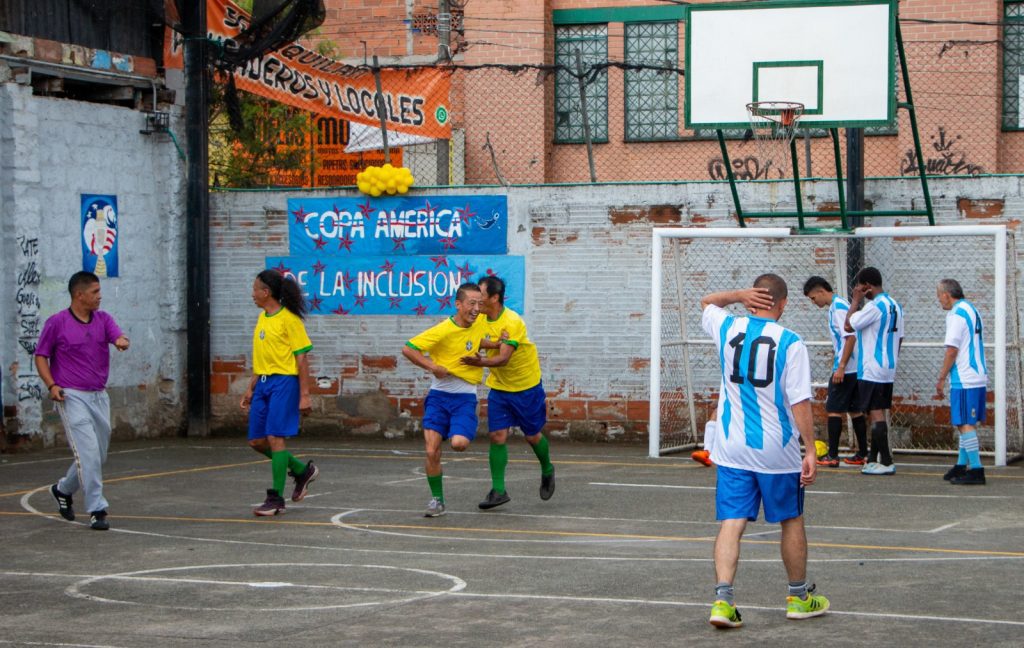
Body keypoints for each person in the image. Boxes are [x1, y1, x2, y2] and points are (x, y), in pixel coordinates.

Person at [701, 274, 829, 629]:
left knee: (732, 522)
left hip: (732, 447)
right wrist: (810, 450)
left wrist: (736, 294)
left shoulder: (727, 328)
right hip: (777, 449)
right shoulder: (790, 342)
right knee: (790, 519)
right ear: (784, 303)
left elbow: (708, 301)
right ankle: (799, 597)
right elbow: (800, 401)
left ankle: (723, 601)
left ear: (751, 300)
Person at [35, 271, 130, 531]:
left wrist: (121, 341)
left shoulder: (103, 319)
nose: (100, 297)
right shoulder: (57, 323)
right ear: (79, 295)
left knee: (97, 455)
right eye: (95, 292)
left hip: (99, 396)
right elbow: (41, 356)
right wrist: (52, 385)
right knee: (87, 452)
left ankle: (62, 489)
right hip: (71, 395)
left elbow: (117, 336)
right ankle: (97, 509)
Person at [459, 275, 555, 510]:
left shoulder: (512, 322)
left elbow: (502, 358)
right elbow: (471, 337)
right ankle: (498, 491)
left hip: (525, 386)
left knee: (532, 436)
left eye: (480, 295)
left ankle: (548, 468)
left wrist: (477, 362)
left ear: (494, 297)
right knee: (497, 436)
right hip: (500, 387)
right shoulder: (479, 318)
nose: (476, 301)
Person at [402, 283, 485, 517]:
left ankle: (461, 426)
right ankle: (437, 500)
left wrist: (496, 345)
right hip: (438, 396)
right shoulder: (442, 330)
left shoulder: (480, 323)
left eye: (480, 303)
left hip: (464, 397)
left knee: (459, 444)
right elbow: (409, 349)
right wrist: (433, 366)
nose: (477, 308)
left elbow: (480, 340)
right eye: (472, 303)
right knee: (431, 451)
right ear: (458, 304)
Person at [241, 270, 318, 517]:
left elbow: (302, 358)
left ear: (267, 292)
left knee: (275, 438)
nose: (252, 294)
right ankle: (300, 470)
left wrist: (304, 394)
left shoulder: (290, 320)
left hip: (284, 382)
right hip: (263, 383)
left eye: (255, 289)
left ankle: (275, 498)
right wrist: (251, 387)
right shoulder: (263, 318)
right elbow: (264, 358)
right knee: (256, 441)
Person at [844, 267, 904, 476]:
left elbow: (848, 325)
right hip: (888, 365)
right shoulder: (895, 305)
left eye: (860, 287)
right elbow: (901, 337)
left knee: (876, 412)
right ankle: (872, 458)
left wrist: (854, 301)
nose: (858, 290)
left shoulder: (874, 306)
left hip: (872, 367)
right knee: (875, 409)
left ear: (867, 286)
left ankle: (886, 461)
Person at [803, 276, 868, 466]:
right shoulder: (839, 305)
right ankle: (863, 453)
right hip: (854, 367)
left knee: (833, 409)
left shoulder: (838, 307)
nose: (814, 302)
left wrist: (840, 366)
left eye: (813, 298)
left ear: (821, 291)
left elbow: (849, 337)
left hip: (846, 368)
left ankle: (832, 455)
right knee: (855, 410)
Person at [935, 279, 988, 485]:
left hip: (965, 377)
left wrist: (941, 377)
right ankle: (961, 465)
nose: (939, 300)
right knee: (966, 422)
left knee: (964, 423)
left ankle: (976, 469)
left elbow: (952, 350)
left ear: (947, 295)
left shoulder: (956, 314)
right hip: (977, 374)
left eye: (939, 295)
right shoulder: (971, 309)